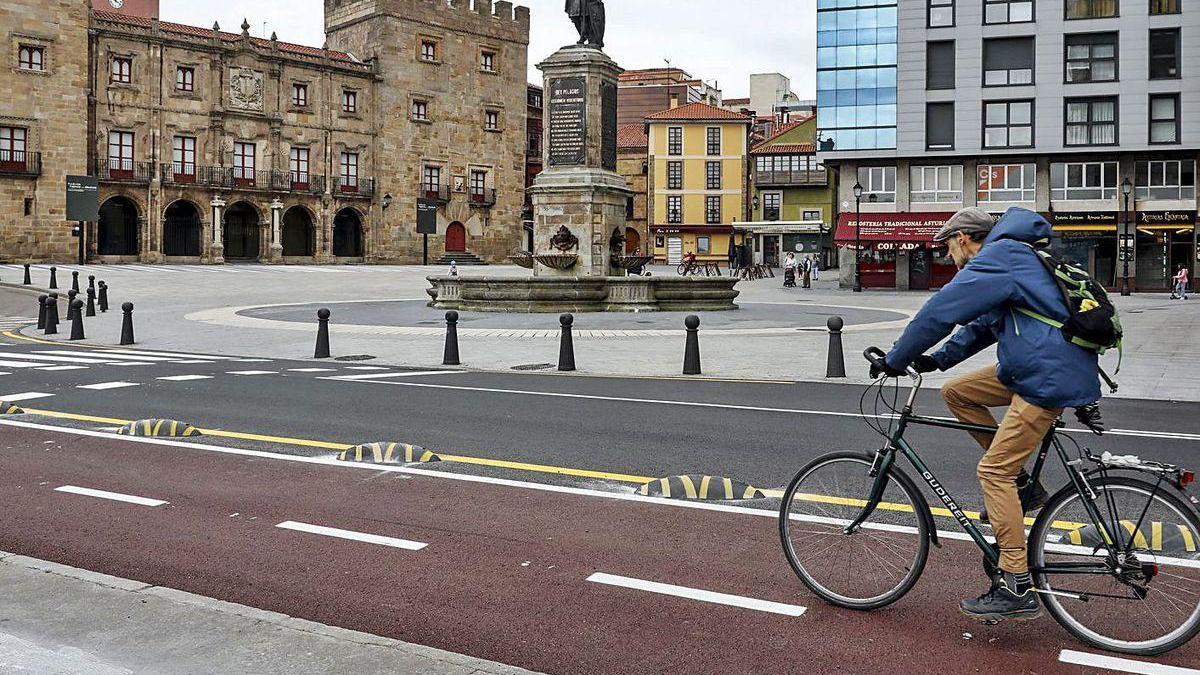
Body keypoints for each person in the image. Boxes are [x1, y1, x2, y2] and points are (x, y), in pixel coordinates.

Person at [874, 206, 1101, 624]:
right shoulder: (1014, 258)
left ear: (962, 238)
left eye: (947, 247)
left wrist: (895, 358)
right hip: (1038, 366)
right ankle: (1024, 487)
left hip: (1045, 377)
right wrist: (935, 360)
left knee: (991, 472)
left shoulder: (1000, 257)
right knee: (957, 391)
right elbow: (981, 326)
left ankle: (1015, 583)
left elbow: (943, 310)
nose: (948, 257)